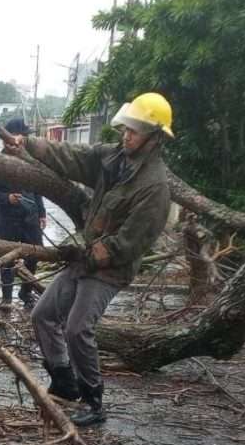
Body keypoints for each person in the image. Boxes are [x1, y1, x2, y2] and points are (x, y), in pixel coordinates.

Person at [14, 93, 174, 427]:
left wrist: (86, 255)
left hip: (110, 270)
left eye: (136, 131)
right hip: (85, 258)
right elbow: (72, 155)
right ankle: (64, 380)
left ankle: (93, 400)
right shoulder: (114, 159)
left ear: (154, 137)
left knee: (77, 328)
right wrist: (29, 144)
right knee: (43, 314)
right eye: (127, 128)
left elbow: (128, 244)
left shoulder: (154, 187)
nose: (127, 135)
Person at [0, 118, 47, 310]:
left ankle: (26, 293)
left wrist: (42, 213)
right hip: (8, 219)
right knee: (7, 259)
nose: (23, 140)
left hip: (30, 218)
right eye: (20, 136)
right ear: (6, 139)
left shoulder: (31, 160)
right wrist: (7, 198)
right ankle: (7, 298)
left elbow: (37, 190)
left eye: (24, 137)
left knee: (34, 256)